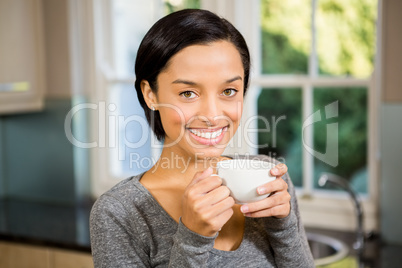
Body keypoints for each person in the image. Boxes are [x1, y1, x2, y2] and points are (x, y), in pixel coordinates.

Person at [90, 9, 314, 267]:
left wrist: (284, 228)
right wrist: (192, 240)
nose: (212, 114)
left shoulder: (270, 180)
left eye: (229, 90)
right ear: (150, 94)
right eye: (188, 93)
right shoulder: (119, 213)